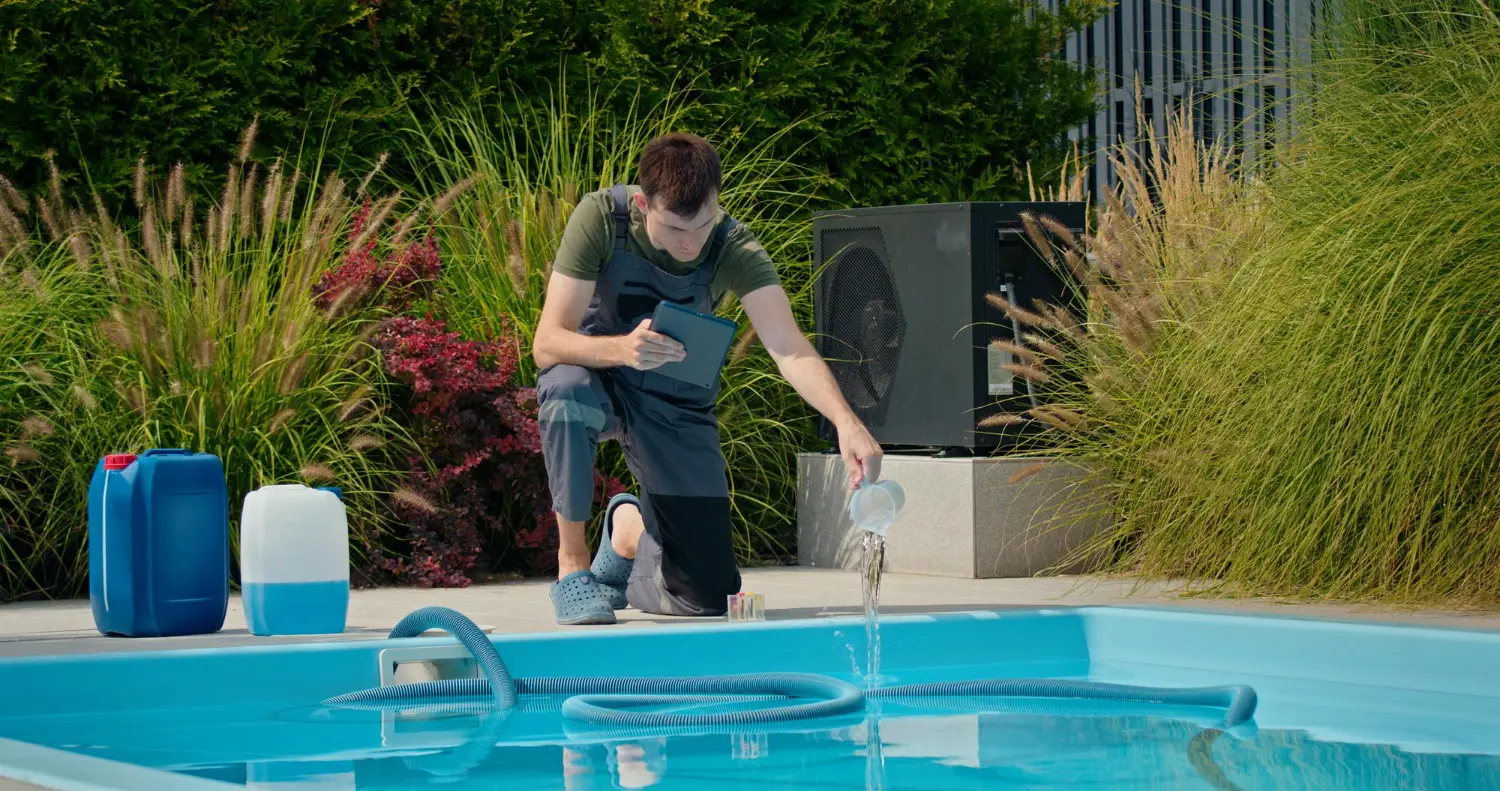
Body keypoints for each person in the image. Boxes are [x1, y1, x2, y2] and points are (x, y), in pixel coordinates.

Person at [532, 132, 882, 625]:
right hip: (600, 377)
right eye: (676, 228)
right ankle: (574, 568)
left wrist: (847, 422)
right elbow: (547, 342)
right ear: (642, 204)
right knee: (564, 390)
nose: (691, 242)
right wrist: (622, 349)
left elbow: (790, 347)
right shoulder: (600, 218)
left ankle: (627, 531)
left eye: (703, 223)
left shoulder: (734, 245)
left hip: (675, 402)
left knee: (708, 598)